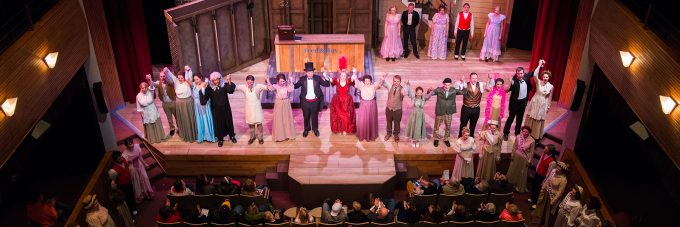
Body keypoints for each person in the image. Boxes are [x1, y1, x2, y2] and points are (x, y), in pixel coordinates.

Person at [503, 60, 542, 140]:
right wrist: (510, 82)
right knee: (511, 118)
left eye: (521, 73)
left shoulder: (527, 77)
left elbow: (534, 72)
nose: (520, 75)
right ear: (516, 74)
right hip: (515, 103)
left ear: (523, 73)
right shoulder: (514, 80)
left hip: (523, 102)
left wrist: (539, 64)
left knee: (520, 119)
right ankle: (506, 133)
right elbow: (507, 90)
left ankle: (517, 133)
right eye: (518, 73)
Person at [199, 72, 237, 147]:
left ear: (220, 79)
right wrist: (203, 88)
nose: (216, 81)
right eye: (214, 80)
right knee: (218, 124)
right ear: (212, 81)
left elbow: (230, 90)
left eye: (217, 79)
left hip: (225, 108)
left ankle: (232, 136)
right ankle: (220, 139)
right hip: (216, 109)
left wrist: (229, 80)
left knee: (228, 121)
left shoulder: (224, 85)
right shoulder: (209, 88)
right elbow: (204, 100)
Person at [294, 62, 331, 137]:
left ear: (313, 72)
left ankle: (315, 129)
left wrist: (326, 77)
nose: (310, 73)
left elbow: (326, 84)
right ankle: (306, 129)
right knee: (306, 116)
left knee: (315, 116)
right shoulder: (302, 79)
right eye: (308, 72)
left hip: (315, 101)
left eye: (311, 72)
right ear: (306, 72)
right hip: (305, 101)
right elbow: (295, 86)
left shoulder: (318, 78)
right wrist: (290, 82)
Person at [162, 67, 198, 142]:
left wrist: (188, 69)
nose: (180, 79)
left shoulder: (187, 82)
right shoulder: (176, 82)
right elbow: (171, 76)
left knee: (189, 118)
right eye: (179, 78)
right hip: (180, 104)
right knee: (183, 119)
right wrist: (166, 71)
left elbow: (189, 73)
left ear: (184, 77)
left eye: (182, 78)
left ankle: (192, 134)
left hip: (188, 103)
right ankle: (185, 133)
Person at [429, 78, 464, 147]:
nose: (447, 86)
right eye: (445, 85)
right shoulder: (439, 89)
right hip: (440, 111)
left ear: (450, 85)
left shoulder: (454, 90)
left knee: (448, 126)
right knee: (437, 126)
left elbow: (463, 92)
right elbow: (430, 93)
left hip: (449, 112)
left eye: (448, 85)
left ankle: (446, 139)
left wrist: (462, 82)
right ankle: (436, 138)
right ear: (443, 84)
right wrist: (429, 90)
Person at [532, 161, 568, 226]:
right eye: (557, 168)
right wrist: (543, 188)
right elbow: (548, 180)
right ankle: (537, 220)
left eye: (559, 169)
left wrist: (553, 201)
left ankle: (543, 223)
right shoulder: (554, 173)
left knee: (546, 212)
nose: (557, 169)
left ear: (562, 171)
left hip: (551, 198)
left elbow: (560, 192)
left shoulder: (563, 180)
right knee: (540, 208)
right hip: (545, 193)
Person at [234, 75, 267, 145]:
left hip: (257, 108)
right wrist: (229, 81)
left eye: (251, 82)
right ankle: (252, 137)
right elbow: (234, 88)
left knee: (259, 125)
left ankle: (260, 138)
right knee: (251, 124)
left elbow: (269, 88)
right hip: (249, 109)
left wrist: (268, 81)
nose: (250, 84)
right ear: (246, 82)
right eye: (248, 82)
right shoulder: (244, 87)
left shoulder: (258, 86)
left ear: (253, 81)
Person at [459, 73, 494, 137]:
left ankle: (471, 137)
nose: (474, 80)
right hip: (466, 108)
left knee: (473, 124)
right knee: (463, 124)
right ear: (470, 78)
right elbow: (460, 90)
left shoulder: (480, 84)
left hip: (476, 109)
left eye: (476, 78)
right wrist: (462, 81)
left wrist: (489, 79)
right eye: (473, 78)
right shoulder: (465, 85)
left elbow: (488, 89)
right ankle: (461, 137)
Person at [525, 60, 552, 139]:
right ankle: (527, 132)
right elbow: (535, 74)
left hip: (543, 103)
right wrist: (539, 65)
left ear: (549, 78)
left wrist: (548, 106)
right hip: (535, 101)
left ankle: (535, 135)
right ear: (542, 77)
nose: (545, 78)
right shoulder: (538, 82)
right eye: (544, 77)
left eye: (546, 77)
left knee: (539, 118)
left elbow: (549, 97)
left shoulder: (550, 86)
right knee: (532, 116)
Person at [147, 70, 177, 137]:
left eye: (164, 76)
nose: (162, 77)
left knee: (176, 116)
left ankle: (180, 128)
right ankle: (172, 128)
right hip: (165, 103)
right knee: (169, 117)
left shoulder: (170, 81)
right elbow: (152, 84)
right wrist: (150, 79)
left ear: (166, 76)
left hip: (173, 102)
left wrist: (167, 72)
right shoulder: (159, 83)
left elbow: (172, 82)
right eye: (161, 76)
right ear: (159, 77)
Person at [353, 74, 384, 141]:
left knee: (371, 119)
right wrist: (354, 75)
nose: (367, 82)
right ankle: (363, 134)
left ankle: (371, 135)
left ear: (371, 81)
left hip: (372, 104)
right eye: (366, 81)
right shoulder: (361, 86)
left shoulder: (373, 86)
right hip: (363, 104)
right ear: (364, 81)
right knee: (363, 120)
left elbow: (379, 84)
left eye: (368, 81)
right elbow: (357, 82)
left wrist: (382, 77)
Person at [267, 74, 296, 141]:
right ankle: (280, 136)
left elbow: (290, 90)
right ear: (278, 81)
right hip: (279, 103)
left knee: (287, 119)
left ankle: (287, 135)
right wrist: (268, 81)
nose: (282, 83)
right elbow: (270, 88)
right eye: (281, 81)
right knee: (279, 119)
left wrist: (290, 80)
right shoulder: (275, 86)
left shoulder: (287, 86)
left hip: (286, 103)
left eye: (283, 81)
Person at [506, 126, 535, 192]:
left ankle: (519, 186)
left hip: (524, 159)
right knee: (513, 170)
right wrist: (512, 154)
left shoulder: (532, 141)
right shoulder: (518, 137)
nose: (524, 133)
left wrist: (530, 160)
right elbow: (515, 146)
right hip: (516, 157)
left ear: (529, 133)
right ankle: (511, 184)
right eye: (523, 131)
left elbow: (531, 152)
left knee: (521, 172)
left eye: (526, 132)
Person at [382, 74, 409, 142]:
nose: (396, 83)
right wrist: (383, 77)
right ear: (393, 81)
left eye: (398, 81)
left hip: (397, 109)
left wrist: (406, 84)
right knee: (388, 122)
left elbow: (405, 93)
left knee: (397, 123)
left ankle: (396, 134)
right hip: (389, 108)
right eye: (395, 81)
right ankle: (388, 133)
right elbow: (384, 83)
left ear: (400, 82)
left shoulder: (402, 89)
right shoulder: (390, 86)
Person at [329, 70, 356, 135]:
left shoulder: (348, 81)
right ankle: (339, 129)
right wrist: (325, 75)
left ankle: (345, 129)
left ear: (346, 76)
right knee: (337, 115)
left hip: (347, 101)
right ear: (340, 76)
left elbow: (353, 78)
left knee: (346, 116)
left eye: (344, 75)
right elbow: (329, 79)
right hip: (337, 101)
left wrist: (354, 73)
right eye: (342, 75)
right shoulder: (337, 81)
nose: (343, 76)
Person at [192, 71, 216, 143]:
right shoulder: (194, 85)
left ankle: (209, 136)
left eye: (197, 79)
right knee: (200, 121)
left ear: (201, 78)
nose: (196, 81)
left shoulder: (205, 84)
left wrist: (207, 82)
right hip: (197, 106)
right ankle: (202, 136)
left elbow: (208, 95)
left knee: (206, 119)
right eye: (195, 79)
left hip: (204, 105)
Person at [111, 151, 137, 216]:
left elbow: (127, 168)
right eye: (119, 158)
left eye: (121, 156)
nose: (121, 158)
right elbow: (117, 180)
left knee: (132, 195)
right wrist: (125, 176)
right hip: (123, 186)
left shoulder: (124, 160)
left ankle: (134, 209)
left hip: (129, 181)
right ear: (115, 160)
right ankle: (131, 213)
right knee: (127, 198)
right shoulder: (115, 168)